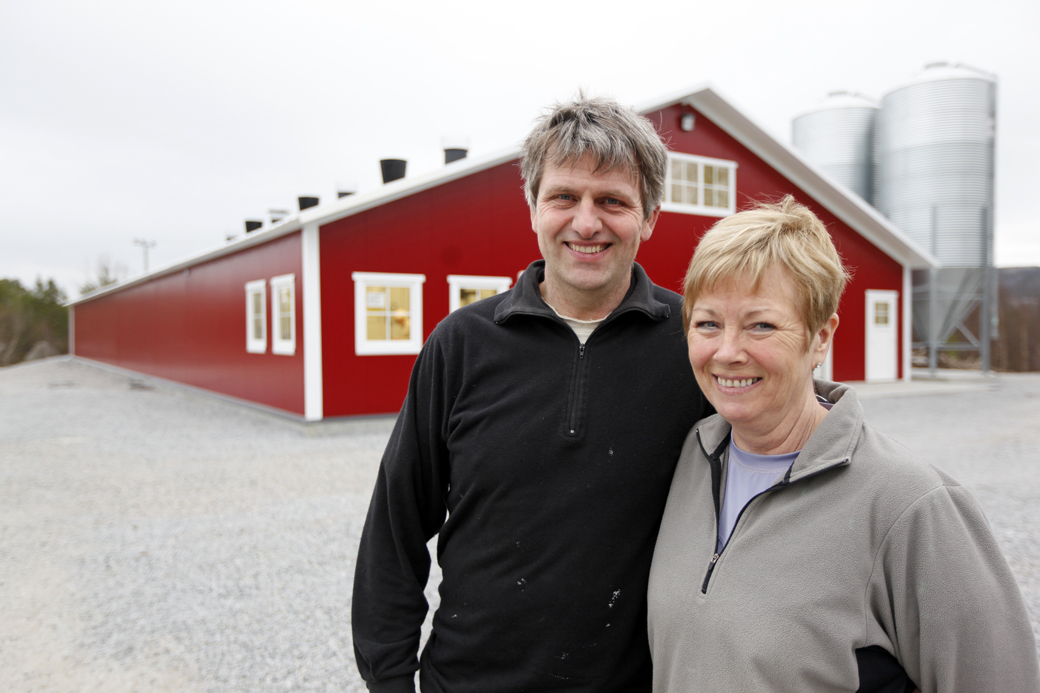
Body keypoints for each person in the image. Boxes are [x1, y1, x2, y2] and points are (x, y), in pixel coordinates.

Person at [352, 95, 713, 693]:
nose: (587, 222)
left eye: (613, 201)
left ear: (649, 216)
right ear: (533, 208)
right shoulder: (461, 344)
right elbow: (395, 528)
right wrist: (390, 680)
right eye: (564, 197)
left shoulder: (694, 346)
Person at [647, 196, 1040, 691]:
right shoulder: (693, 458)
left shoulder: (910, 505)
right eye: (708, 323)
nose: (727, 352)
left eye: (761, 324)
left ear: (821, 337)